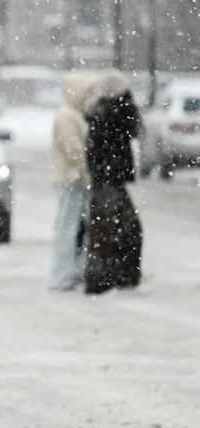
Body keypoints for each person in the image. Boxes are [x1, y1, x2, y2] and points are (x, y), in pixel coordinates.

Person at [83, 69, 143, 295]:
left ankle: (111, 278)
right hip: (108, 180)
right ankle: (108, 279)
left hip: (109, 180)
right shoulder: (110, 115)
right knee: (110, 231)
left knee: (113, 230)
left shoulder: (109, 114)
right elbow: (102, 150)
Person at [49, 71, 97, 291]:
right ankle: (63, 275)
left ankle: (74, 272)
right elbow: (74, 150)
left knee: (77, 228)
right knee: (68, 229)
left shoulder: (73, 115)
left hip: (77, 180)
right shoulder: (67, 117)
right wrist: (87, 168)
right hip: (73, 181)